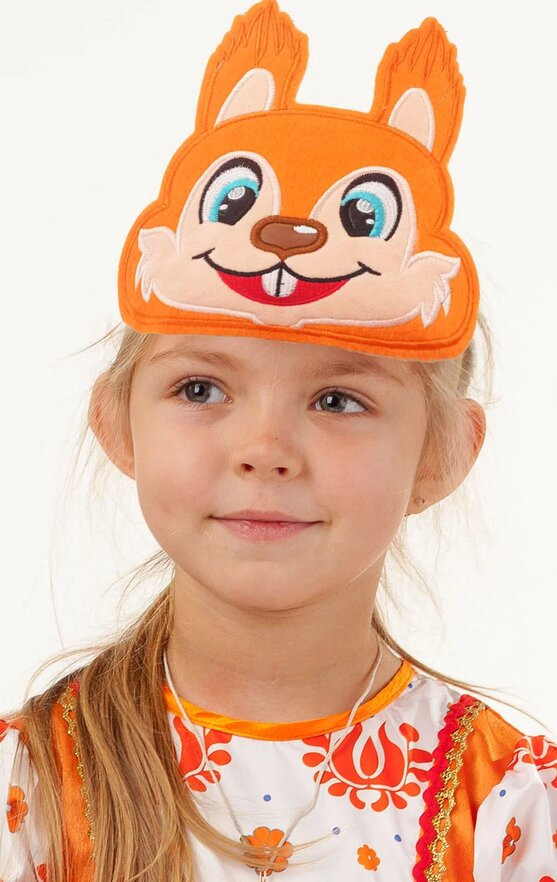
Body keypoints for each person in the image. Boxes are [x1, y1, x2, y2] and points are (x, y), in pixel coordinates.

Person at [1, 1, 556, 880]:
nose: (264, 449)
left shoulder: (508, 809)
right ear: (116, 423)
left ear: (441, 455)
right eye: (200, 389)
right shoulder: (28, 791)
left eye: (337, 399)